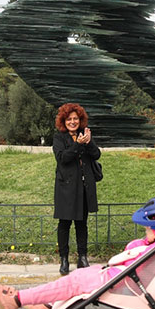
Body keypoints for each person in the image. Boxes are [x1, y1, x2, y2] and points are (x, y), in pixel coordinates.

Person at [0, 195, 155, 309]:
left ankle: (16, 300)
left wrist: (140, 244)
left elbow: (135, 256)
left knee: (74, 281)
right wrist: (144, 242)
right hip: (120, 278)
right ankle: (43, 305)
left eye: (149, 227)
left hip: (118, 281)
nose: (146, 229)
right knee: (76, 278)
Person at [53, 103, 100, 275]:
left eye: (76, 119)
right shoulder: (59, 138)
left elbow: (96, 155)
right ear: (63, 121)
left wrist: (87, 143)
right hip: (65, 187)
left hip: (84, 187)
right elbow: (63, 158)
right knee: (64, 223)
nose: (73, 122)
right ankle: (64, 259)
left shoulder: (85, 135)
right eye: (69, 119)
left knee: (82, 223)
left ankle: (83, 257)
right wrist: (78, 145)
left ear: (80, 120)